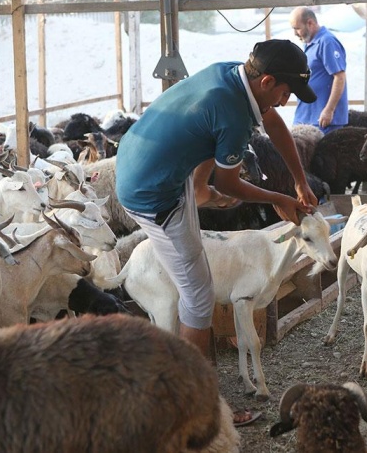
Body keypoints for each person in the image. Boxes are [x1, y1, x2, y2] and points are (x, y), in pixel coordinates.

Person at [115, 39, 318, 365]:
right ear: (266, 82)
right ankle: (198, 395)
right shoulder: (234, 115)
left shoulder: (232, 75)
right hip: (152, 192)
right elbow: (228, 182)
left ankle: (198, 188)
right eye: (285, 92)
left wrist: (299, 179)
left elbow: (272, 122)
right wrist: (277, 198)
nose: (285, 101)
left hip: (140, 160)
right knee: (198, 297)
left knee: (210, 133)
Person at [289, 7, 349, 134]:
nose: (295, 33)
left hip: (323, 120)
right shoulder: (309, 43)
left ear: (310, 23)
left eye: (297, 28)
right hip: (305, 116)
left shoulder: (327, 42)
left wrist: (329, 110)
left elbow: (340, 76)